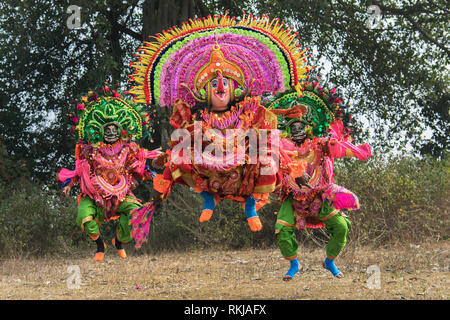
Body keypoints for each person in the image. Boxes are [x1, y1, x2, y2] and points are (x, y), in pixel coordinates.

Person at [128, 13, 312, 232]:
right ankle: (209, 199)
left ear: (235, 88)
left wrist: (282, 119)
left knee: (267, 152)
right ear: (204, 91)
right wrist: (168, 162)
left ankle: (251, 204)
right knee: (179, 155)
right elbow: (183, 140)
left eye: (225, 82)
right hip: (210, 165)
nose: (221, 88)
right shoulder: (201, 118)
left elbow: (265, 123)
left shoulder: (246, 110)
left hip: (243, 163)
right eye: (214, 83)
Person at [267, 82, 372, 280]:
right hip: (294, 200)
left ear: (309, 127)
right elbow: (266, 149)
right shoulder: (282, 147)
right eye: (293, 126)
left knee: (341, 227)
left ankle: (330, 261)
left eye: (301, 125)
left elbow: (340, 147)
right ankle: (294, 264)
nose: (297, 129)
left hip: (321, 197)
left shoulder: (320, 145)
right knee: (281, 229)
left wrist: (359, 152)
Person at [58, 87, 160, 261]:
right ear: (100, 131)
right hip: (94, 196)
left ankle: (118, 242)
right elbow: (77, 171)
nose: (111, 133)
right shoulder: (89, 150)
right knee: (84, 218)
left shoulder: (129, 149)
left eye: (115, 130)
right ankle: (100, 245)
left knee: (138, 215)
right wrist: (67, 185)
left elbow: (138, 167)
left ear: (120, 130)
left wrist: (153, 175)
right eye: (108, 130)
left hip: (121, 194)